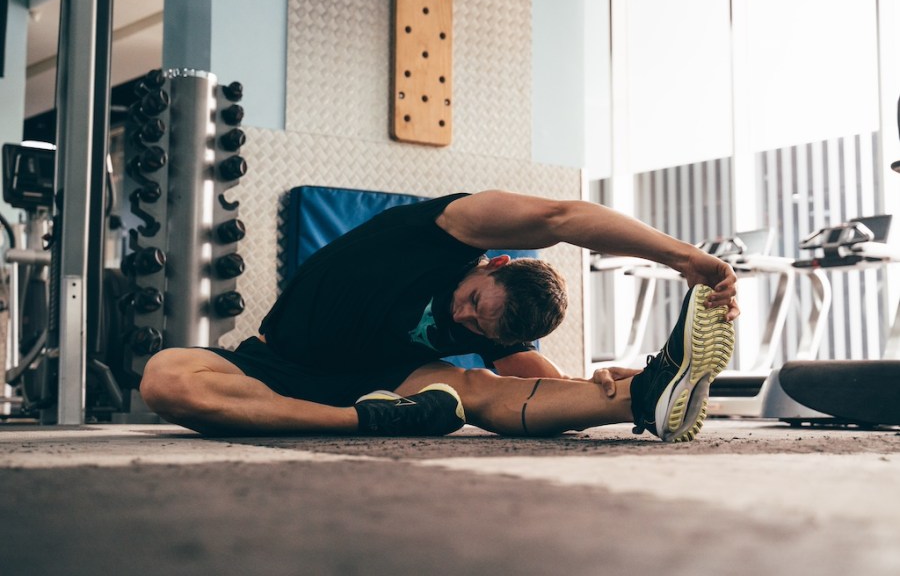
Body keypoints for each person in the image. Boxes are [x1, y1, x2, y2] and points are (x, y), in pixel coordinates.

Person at [140, 190, 739, 442]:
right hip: (275, 366)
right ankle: (362, 425)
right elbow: (560, 217)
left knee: (475, 388)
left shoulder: (494, 330)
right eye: (475, 303)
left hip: (385, 389)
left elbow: (542, 392)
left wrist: (613, 383)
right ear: (492, 261)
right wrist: (682, 257)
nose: (466, 320)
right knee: (166, 377)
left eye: (481, 329)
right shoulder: (444, 229)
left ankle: (653, 394)